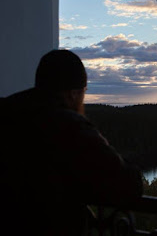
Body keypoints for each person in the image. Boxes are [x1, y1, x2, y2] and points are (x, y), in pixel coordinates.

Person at [0, 50, 143, 235]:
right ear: (73, 94)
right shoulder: (68, 125)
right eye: (84, 92)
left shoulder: (7, 113)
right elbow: (128, 186)